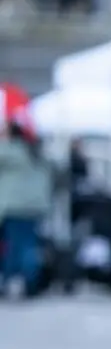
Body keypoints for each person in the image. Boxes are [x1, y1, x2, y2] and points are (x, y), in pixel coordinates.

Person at [0, 116, 53, 298]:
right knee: (29, 246)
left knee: (12, 247)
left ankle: (7, 281)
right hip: (36, 207)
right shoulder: (38, 152)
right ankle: (31, 283)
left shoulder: (9, 150)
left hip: (14, 207)